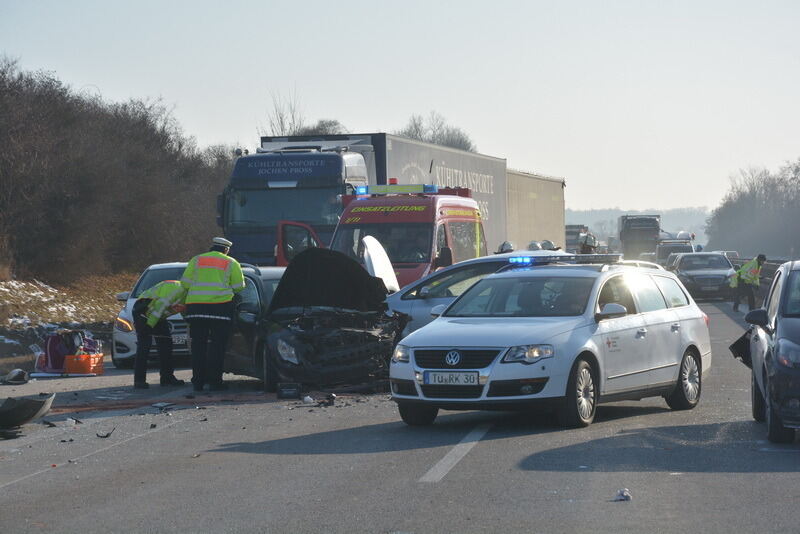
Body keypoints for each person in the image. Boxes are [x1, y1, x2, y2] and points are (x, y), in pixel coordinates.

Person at [181, 237, 245, 392]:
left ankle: (198, 383)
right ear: (226, 249)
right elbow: (239, 287)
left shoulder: (196, 260)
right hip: (220, 309)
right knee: (217, 347)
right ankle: (215, 382)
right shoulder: (231, 262)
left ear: (212, 247)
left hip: (196, 309)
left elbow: (185, 284)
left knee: (198, 346)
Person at [132, 280, 187, 389]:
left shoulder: (188, 297)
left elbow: (185, 312)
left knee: (166, 344)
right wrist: (148, 326)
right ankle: (139, 380)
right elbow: (160, 307)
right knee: (144, 345)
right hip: (143, 308)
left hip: (158, 315)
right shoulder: (177, 290)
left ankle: (167, 378)